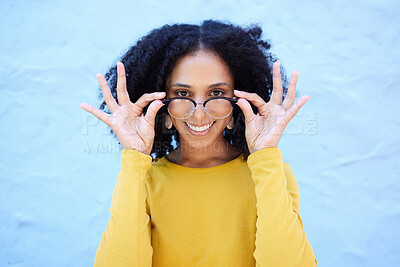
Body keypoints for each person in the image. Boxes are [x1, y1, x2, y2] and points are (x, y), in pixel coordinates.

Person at [80, 19, 317, 266]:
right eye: (182, 94)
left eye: (216, 93)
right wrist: (133, 156)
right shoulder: (143, 180)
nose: (200, 113)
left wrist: (266, 154)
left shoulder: (271, 174)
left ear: (238, 99)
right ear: (162, 101)